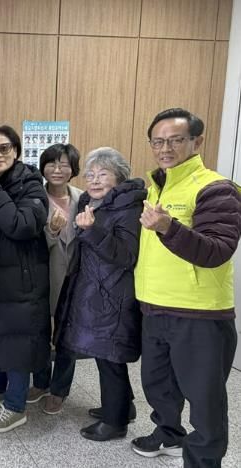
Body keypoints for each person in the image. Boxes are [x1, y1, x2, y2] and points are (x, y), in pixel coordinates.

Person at [132, 108, 240, 466]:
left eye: (175, 140)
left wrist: (169, 227)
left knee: (205, 400)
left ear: (197, 141)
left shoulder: (216, 188)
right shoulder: (156, 187)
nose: (165, 148)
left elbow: (217, 250)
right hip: (154, 307)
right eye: (158, 142)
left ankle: (204, 461)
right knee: (158, 385)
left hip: (199, 314)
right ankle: (169, 434)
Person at [56, 147, 146, 442]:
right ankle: (124, 407)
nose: (94, 180)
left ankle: (115, 422)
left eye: (103, 174)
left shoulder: (129, 207)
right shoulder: (91, 202)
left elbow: (127, 255)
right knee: (104, 354)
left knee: (110, 358)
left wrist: (93, 231)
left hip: (114, 293)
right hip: (94, 289)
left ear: (119, 178)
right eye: (90, 174)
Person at [0, 125, 51, 433]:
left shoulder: (31, 183)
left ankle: (16, 406)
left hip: (21, 279)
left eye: (4, 148)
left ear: (15, 151)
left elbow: (22, 225)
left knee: (17, 340)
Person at [27, 144, 83, 415]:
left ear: (73, 169)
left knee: (67, 339)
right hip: (44, 276)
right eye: (51, 163)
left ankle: (59, 390)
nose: (57, 169)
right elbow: (30, 244)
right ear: (43, 167)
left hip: (76, 279)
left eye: (64, 164)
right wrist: (51, 230)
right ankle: (40, 383)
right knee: (39, 334)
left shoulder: (84, 198)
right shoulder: (35, 198)